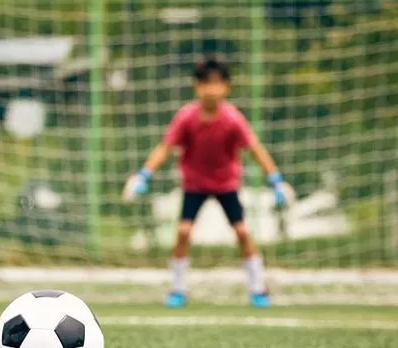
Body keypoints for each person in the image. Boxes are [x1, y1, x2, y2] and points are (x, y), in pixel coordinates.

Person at [123, 57, 291, 308]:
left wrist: (276, 181)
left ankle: (258, 289)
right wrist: (144, 175)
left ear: (227, 87)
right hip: (195, 186)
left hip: (226, 186)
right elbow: (165, 147)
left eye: (216, 83)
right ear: (196, 87)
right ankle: (178, 289)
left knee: (243, 232)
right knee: (183, 232)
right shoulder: (186, 117)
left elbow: (255, 149)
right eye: (205, 83)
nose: (210, 89)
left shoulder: (233, 119)